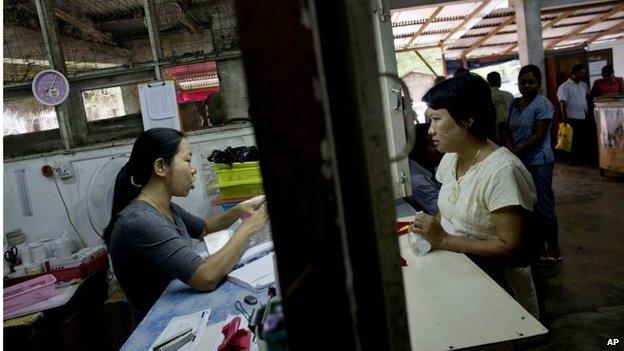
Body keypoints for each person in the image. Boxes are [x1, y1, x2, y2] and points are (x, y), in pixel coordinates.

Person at [410, 73, 540, 318]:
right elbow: (447, 207)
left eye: (437, 119)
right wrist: (432, 229)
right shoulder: (451, 158)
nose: (430, 130)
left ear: (467, 120)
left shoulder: (502, 171)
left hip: (499, 291)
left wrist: (445, 240)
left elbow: (512, 248)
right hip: (463, 275)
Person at [105, 128, 269, 322]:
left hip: (178, 312)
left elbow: (204, 228)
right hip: (162, 323)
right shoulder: (140, 220)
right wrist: (249, 228)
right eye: (187, 160)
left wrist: (240, 209)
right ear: (161, 167)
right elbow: (206, 277)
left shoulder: (165, 207)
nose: (193, 169)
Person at [505, 64, 560, 262]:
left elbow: (539, 134)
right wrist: (510, 147)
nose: (527, 86)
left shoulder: (543, 104)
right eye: (523, 82)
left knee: (543, 204)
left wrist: (516, 151)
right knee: (526, 204)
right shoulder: (513, 103)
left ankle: (553, 250)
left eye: (532, 82)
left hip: (538, 161)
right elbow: (507, 129)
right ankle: (536, 246)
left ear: (538, 84)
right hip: (518, 159)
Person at [557, 64, 592, 164]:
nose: (583, 75)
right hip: (571, 117)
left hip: (584, 115)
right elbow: (562, 103)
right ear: (574, 73)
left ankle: (582, 158)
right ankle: (571, 160)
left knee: (582, 139)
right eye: (581, 73)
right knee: (572, 140)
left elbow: (587, 98)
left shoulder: (584, 85)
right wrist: (564, 118)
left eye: (584, 73)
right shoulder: (564, 87)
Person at [405, 123, 442, 215]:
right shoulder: (419, 181)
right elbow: (447, 215)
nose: (440, 149)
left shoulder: (424, 167)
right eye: (434, 145)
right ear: (420, 151)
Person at [487, 71, 514, 143]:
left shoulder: (485, 98)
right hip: (508, 125)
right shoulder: (508, 95)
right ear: (499, 81)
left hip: (492, 128)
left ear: (488, 82)